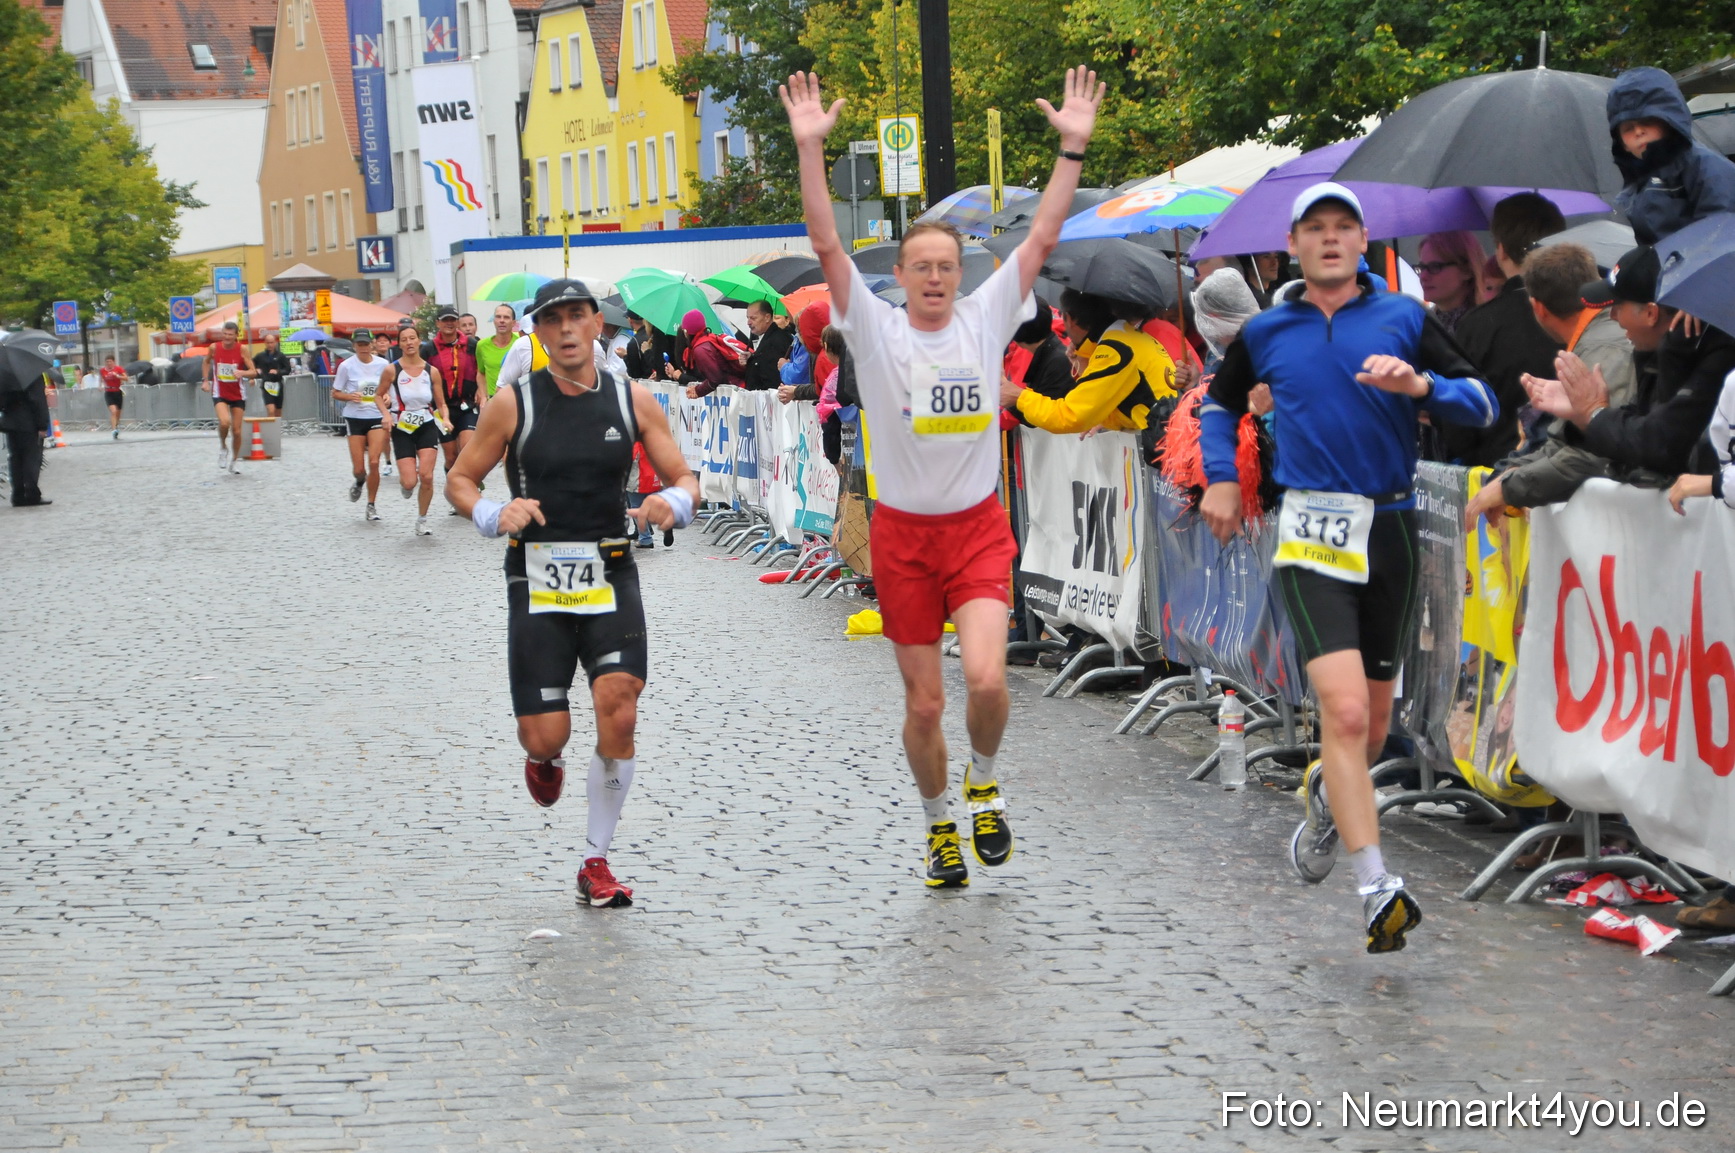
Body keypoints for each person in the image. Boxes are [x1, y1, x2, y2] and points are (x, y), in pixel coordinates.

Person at [784, 64, 1103, 888]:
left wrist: (1071, 147)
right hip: (902, 537)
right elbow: (825, 242)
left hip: (974, 529)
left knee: (989, 677)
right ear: (900, 276)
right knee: (924, 704)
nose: (932, 277)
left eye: (945, 266)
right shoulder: (875, 326)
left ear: (960, 273)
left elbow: (1039, 240)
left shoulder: (987, 314)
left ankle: (984, 782)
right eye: (919, 266)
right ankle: (938, 829)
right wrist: (810, 152)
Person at [1197, 182, 1497, 953]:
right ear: (1292, 245)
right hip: (1310, 532)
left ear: (1362, 240)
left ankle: (1332, 796)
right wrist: (1222, 476)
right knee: (1346, 713)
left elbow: (1485, 403)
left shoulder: (1404, 318)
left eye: (1343, 227)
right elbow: (1218, 404)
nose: (1329, 239)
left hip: (1392, 528)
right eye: (1314, 229)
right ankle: (1376, 887)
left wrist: (1420, 385)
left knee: (1369, 729)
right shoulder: (1265, 331)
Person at [444, 278, 700, 909]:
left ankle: (596, 859)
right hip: (536, 575)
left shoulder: (632, 399)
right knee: (545, 736)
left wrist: (671, 502)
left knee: (620, 705)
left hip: (610, 570)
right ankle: (545, 759)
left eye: (576, 316)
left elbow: (685, 477)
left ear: (595, 325)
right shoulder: (512, 403)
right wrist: (491, 513)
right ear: (536, 329)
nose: (564, 329)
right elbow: (460, 479)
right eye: (552, 318)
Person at [1524, 245, 1735, 479]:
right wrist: (1585, 415)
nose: (1612, 316)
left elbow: (1660, 445)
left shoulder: (1717, 351)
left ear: (1650, 314)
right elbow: (1641, 421)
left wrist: (1594, 414)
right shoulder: (1661, 347)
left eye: (1617, 306)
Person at [1462, 244, 1636, 523]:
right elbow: (1565, 444)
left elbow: (1593, 453)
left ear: (1537, 308)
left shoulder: (1602, 350)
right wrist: (1509, 476)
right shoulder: (1592, 344)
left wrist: (1511, 486)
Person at [1444, 193, 1566, 467]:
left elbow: (1460, 425)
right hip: (1574, 471)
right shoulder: (1584, 311)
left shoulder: (1476, 326)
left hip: (1495, 472)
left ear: (1500, 251)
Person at [1001, 288, 1175, 432]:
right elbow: (1112, 408)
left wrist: (1020, 397)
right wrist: (1084, 361)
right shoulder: (1124, 335)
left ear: (1070, 319)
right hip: (1169, 433)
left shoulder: (1115, 350)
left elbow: (1069, 417)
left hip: (1167, 440)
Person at [1607, 67, 1735, 247]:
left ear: (1669, 121)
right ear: (1622, 144)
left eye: (1647, 121)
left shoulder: (1707, 168)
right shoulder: (1632, 189)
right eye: (1628, 128)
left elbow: (1721, 240)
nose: (1638, 131)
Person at [376, 324, 449, 536]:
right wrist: (386, 415)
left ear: (419, 341)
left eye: (412, 338)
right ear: (399, 344)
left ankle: (422, 519)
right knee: (410, 481)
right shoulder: (392, 370)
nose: (409, 343)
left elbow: (440, 402)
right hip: (403, 427)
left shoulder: (431, 371)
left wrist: (445, 418)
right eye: (404, 339)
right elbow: (378, 396)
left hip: (426, 424)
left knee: (426, 476)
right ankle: (407, 486)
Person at [330, 329, 390, 521]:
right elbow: (335, 392)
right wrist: (349, 396)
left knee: (374, 461)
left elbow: (390, 390)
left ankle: (371, 505)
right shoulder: (346, 366)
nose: (363, 348)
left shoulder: (383, 365)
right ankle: (359, 481)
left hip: (375, 417)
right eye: (360, 345)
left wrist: (387, 398)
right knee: (359, 468)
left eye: (366, 344)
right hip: (354, 418)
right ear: (354, 346)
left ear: (372, 344)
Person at [424, 307, 481, 485]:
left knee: (467, 449)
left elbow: (482, 371)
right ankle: (454, 489)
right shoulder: (429, 349)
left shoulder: (472, 346)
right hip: (442, 408)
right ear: (438, 323)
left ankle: (470, 487)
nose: (449, 323)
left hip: (467, 405)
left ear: (457, 322)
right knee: (451, 456)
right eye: (445, 320)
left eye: (452, 320)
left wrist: (481, 389)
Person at [202, 321, 255, 474]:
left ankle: (234, 461)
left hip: (237, 393)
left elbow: (253, 371)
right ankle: (223, 447)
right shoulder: (214, 347)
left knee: (237, 431)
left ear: (236, 336)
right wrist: (205, 380)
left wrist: (243, 373)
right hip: (220, 392)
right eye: (224, 334)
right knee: (225, 422)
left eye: (230, 335)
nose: (226, 337)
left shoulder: (242, 349)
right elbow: (205, 362)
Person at [1414, 231, 1485, 335]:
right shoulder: (1423, 325)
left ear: (1467, 270)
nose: (1423, 277)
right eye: (1422, 267)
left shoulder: (1486, 327)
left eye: (1435, 267)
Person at [2, 370, 51, 506]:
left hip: (11, 422)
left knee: (15, 458)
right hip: (29, 423)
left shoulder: (5, 375)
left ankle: (17, 494)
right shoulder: (32, 374)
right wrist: (43, 424)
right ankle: (31, 494)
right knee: (31, 458)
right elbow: (38, 400)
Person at [678, 311, 747, 396]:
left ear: (686, 331)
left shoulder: (700, 349)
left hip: (736, 391)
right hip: (741, 385)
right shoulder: (710, 338)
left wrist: (698, 391)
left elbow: (715, 379)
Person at [743, 299, 794, 390]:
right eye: (748, 318)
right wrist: (751, 358)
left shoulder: (777, 340)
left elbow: (772, 377)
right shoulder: (767, 337)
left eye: (753, 318)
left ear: (767, 317)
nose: (748, 322)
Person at [477, 304, 518, 399]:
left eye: (506, 317)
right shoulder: (482, 345)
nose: (502, 320)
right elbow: (481, 373)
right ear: (494, 321)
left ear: (513, 323)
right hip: (493, 399)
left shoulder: (521, 342)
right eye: (498, 317)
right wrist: (483, 396)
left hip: (516, 398)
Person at [622, 312, 671, 380]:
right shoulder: (666, 332)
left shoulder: (634, 342)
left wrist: (625, 356)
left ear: (630, 320)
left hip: (656, 383)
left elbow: (634, 374)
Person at [254, 333, 294, 418]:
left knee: (278, 412)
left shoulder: (280, 355)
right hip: (266, 385)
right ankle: (271, 430)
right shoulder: (260, 356)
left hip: (278, 385)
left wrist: (278, 371)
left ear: (275, 342)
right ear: (265, 343)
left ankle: (276, 430)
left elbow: (287, 369)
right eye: (268, 343)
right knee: (271, 410)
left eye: (272, 342)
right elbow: (249, 365)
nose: (270, 345)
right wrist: (255, 371)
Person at [100, 355, 127, 439]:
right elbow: (101, 380)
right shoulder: (102, 370)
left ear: (113, 362)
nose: (108, 363)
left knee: (118, 413)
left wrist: (118, 376)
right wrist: (101, 385)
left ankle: (116, 425)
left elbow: (126, 378)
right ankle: (114, 429)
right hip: (108, 392)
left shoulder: (118, 369)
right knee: (113, 411)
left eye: (110, 361)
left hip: (117, 392)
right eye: (107, 362)